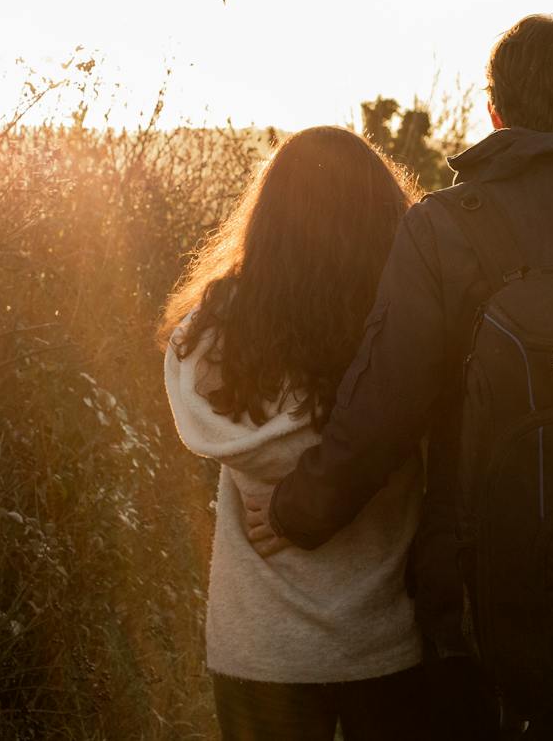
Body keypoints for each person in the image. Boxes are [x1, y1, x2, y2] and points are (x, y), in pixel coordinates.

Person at [244, 16, 553, 738]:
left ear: (494, 110)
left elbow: (382, 407)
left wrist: (299, 511)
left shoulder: (442, 229)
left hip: (480, 609)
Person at [159, 126, 427, 741]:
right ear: (383, 216)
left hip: (259, 642)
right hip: (385, 634)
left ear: (269, 218)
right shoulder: (399, 331)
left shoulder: (216, 335)